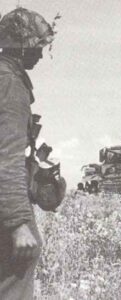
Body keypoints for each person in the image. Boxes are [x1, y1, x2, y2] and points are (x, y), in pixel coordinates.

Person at [0, 8, 63, 299]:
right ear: (21, 43)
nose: (40, 53)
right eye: (38, 45)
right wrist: (18, 223)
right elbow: (6, 159)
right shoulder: (10, 83)